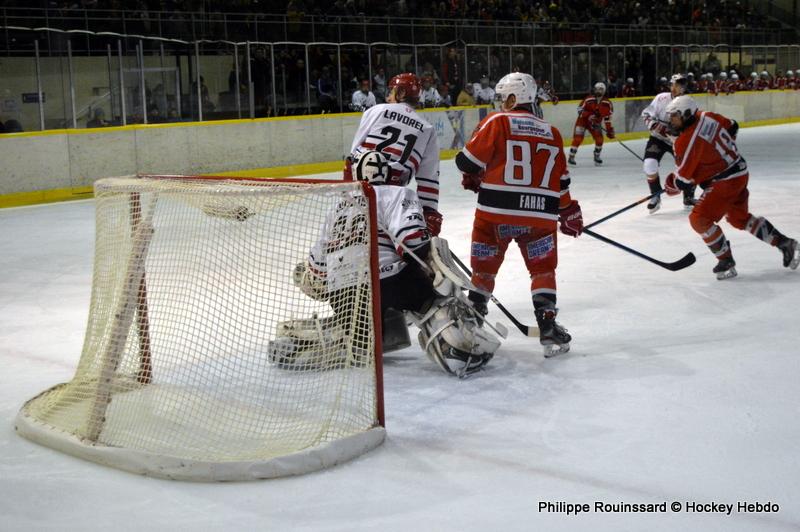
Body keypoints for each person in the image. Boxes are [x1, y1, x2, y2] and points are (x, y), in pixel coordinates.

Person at [281, 151, 500, 377]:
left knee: (362, 333)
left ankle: (344, 336)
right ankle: (456, 349)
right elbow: (412, 242)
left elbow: (316, 273)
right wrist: (427, 241)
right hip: (390, 282)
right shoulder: (396, 193)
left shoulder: (337, 209)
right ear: (387, 173)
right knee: (435, 297)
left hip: (343, 295)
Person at [454, 72, 583, 357]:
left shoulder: (498, 121)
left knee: (483, 270)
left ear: (514, 98)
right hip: (539, 218)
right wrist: (568, 210)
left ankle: (473, 318)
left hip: (495, 214)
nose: (500, 103)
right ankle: (547, 326)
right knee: (543, 270)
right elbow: (561, 183)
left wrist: (476, 175)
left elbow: (465, 161)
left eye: (503, 98)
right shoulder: (552, 132)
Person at [663, 95, 799, 279]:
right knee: (738, 218)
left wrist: (670, 185)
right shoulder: (706, 115)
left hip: (725, 181)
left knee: (699, 219)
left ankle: (725, 260)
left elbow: (682, 182)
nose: (671, 119)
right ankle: (785, 243)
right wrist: (719, 157)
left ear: (687, 114)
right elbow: (733, 126)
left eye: (675, 115)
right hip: (739, 171)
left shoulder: (686, 140)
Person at [345, 72, 443, 237]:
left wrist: (347, 194)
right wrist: (429, 212)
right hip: (396, 201)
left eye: (391, 91)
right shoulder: (428, 129)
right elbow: (429, 179)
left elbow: (353, 157)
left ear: (401, 93)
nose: (388, 96)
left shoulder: (377, 110)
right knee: (404, 246)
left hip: (363, 194)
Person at [640, 73, 696, 213]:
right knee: (649, 164)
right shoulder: (661, 98)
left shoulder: (689, 102)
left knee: (690, 166)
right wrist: (655, 125)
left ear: (684, 87)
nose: (676, 88)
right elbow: (646, 114)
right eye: (674, 85)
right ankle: (655, 195)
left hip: (678, 141)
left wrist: (680, 133)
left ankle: (688, 196)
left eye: (679, 85)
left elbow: (693, 124)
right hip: (658, 139)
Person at [567, 82, 615, 167]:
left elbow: (607, 117)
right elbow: (579, 110)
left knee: (599, 139)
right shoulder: (588, 99)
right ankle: (571, 156)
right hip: (582, 121)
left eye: (600, 89)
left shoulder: (607, 103)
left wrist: (609, 129)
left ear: (604, 91)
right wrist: (589, 115)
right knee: (578, 139)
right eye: (597, 89)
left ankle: (597, 156)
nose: (598, 91)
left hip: (595, 124)